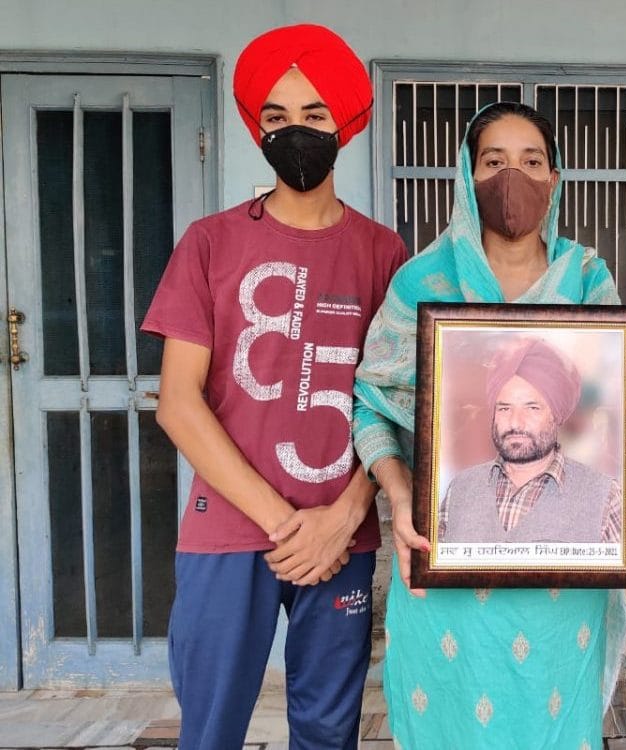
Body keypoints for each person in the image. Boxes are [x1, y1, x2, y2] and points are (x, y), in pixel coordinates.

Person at [353, 101, 626, 749]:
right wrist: (404, 495)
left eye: (531, 161)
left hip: (560, 589)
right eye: (493, 161)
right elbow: (372, 402)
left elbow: (613, 403)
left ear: (555, 178)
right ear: (466, 174)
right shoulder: (423, 281)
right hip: (446, 566)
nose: (512, 177)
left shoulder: (586, 277)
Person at [141, 24, 406, 750]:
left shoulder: (385, 255)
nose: (296, 131)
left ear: (346, 125)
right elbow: (178, 401)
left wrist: (341, 517)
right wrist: (288, 523)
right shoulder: (209, 243)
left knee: (327, 732)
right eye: (277, 116)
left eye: (315, 114)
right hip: (228, 530)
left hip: (340, 538)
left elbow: (397, 404)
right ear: (256, 128)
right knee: (212, 730)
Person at [439, 336, 622, 544]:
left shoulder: (606, 498)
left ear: (557, 413)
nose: (516, 422)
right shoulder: (460, 490)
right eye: (504, 408)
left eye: (532, 408)